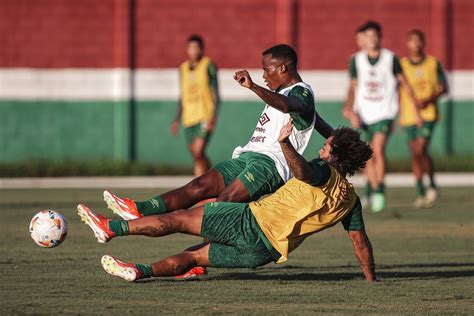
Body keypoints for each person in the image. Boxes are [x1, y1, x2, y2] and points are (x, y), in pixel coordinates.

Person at [103, 44, 333, 277]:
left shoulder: (300, 92)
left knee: (220, 206)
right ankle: (137, 210)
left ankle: (196, 262)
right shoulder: (284, 93)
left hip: (269, 165)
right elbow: (317, 121)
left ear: (283, 68)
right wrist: (336, 138)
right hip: (247, 155)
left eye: (266, 69)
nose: (263, 75)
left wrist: (252, 86)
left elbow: (289, 106)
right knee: (198, 186)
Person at [77, 122, 377, 283]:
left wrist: (284, 144)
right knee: (194, 258)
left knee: (179, 218)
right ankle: (140, 270)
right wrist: (371, 279)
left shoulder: (322, 169)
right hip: (265, 252)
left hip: (250, 221)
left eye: (326, 146)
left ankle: (111, 227)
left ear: (335, 155)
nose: (321, 147)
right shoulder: (350, 200)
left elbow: (303, 171)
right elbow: (360, 243)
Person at [342, 21, 421, 212]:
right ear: (363, 39)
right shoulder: (356, 60)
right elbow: (353, 86)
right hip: (364, 113)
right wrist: (349, 107)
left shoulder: (390, 58)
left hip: (385, 112)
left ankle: (379, 190)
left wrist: (415, 110)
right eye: (368, 36)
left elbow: (405, 83)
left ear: (379, 37)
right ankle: (370, 189)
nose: (372, 39)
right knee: (368, 155)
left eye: (375, 35)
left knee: (377, 149)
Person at [399, 30, 447, 208]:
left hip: (428, 114)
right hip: (408, 115)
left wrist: (428, 99)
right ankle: (421, 192)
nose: (416, 45)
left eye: (419, 41)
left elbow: (444, 88)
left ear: (423, 43)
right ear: (407, 44)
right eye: (412, 41)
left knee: (421, 148)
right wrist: (399, 113)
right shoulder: (402, 64)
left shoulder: (433, 63)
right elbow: (398, 89)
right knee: (415, 153)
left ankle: (433, 185)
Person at [170, 34, 220, 177]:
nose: (194, 51)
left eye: (197, 48)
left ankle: (209, 180)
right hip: (188, 118)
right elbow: (182, 95)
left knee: (198, 151)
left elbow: (216, 94)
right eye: (191, 48)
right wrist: (176, 119)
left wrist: (213, 117)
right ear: (187, 50)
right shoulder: (182, 69)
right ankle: (207, 181)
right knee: (196, 155)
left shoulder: (208, 65)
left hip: (204, 116)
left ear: (202, 49)